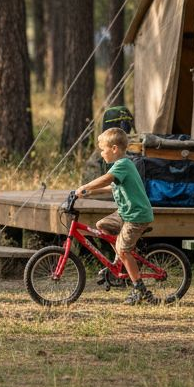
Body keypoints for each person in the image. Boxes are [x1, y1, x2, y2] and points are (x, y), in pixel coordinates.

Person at [74, 127, 156, 304]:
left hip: (136, 215)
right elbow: (111, 186)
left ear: (114, 149)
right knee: (102, 225)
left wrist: (85, 186)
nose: (101, 153)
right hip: (125, 213)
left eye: (103, 149)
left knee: (124, 249)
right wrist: (90, 192)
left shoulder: (123, 165)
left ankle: (139, 288)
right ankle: (121, 261)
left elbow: (106, 179)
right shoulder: (121, 166)